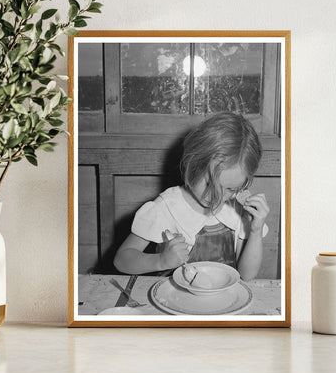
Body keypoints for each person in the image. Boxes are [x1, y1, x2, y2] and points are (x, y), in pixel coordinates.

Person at [113, 112, 270, 281]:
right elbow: (122, 260)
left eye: (231, 189)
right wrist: (160, 261)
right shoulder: (166, 207)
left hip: (222, 303)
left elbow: (247, 275)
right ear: (192, 165)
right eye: (209, 184)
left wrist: (255, 231)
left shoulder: (237, 210)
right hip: (174, 301)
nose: (217, 196)